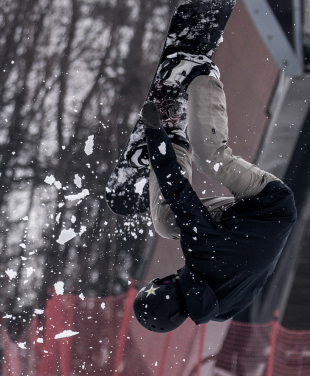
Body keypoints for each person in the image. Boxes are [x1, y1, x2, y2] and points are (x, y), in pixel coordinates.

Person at [127, 59, 297, 333]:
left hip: (247, 223)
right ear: (165, 287)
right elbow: (178, 191)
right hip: (270, 201)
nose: (169, 277)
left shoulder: (220, 310)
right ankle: (203, 75)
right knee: (210, 156)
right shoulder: (203, 252)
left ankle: (176, 144)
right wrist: (154, 135)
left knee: (166, 223)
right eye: (164, 283)